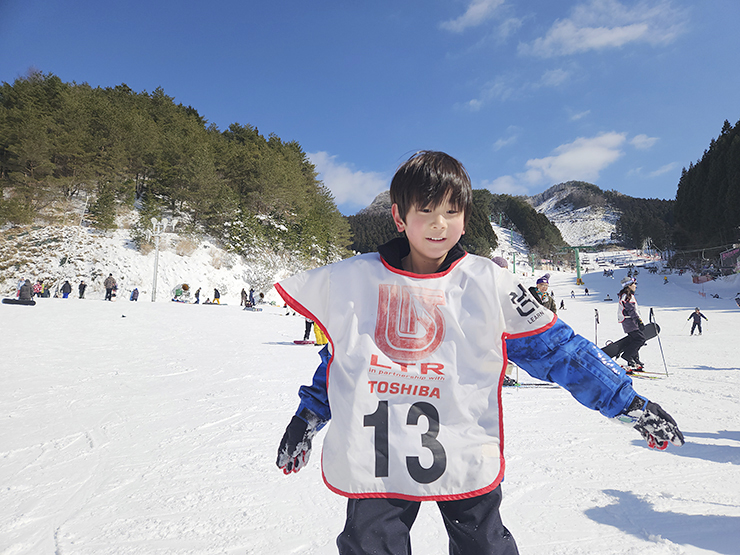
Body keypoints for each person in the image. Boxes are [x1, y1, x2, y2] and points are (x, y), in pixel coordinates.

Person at [274, 151, 683, 555]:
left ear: (466, 218)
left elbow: (560, 351)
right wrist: (307, 416)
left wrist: (629, 403)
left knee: (483, 546)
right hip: (378, 449)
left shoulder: (488, 283)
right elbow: (344, 360)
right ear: (399, 217)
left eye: (452, 212)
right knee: (370, 545)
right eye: (426, 210)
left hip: (461, 443)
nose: (439, 224)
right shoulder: (360, 279)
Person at [617, 276, 645, 371]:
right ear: (628, 286)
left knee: (634, 340)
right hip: (630, 321)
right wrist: (638, 321)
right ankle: (628, 355)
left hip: (629, 321)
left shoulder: (627, 295)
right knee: (640, 339)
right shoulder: (627, 296)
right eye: (633, 284)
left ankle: (634, 360)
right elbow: (631, 311)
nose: (635, 286)